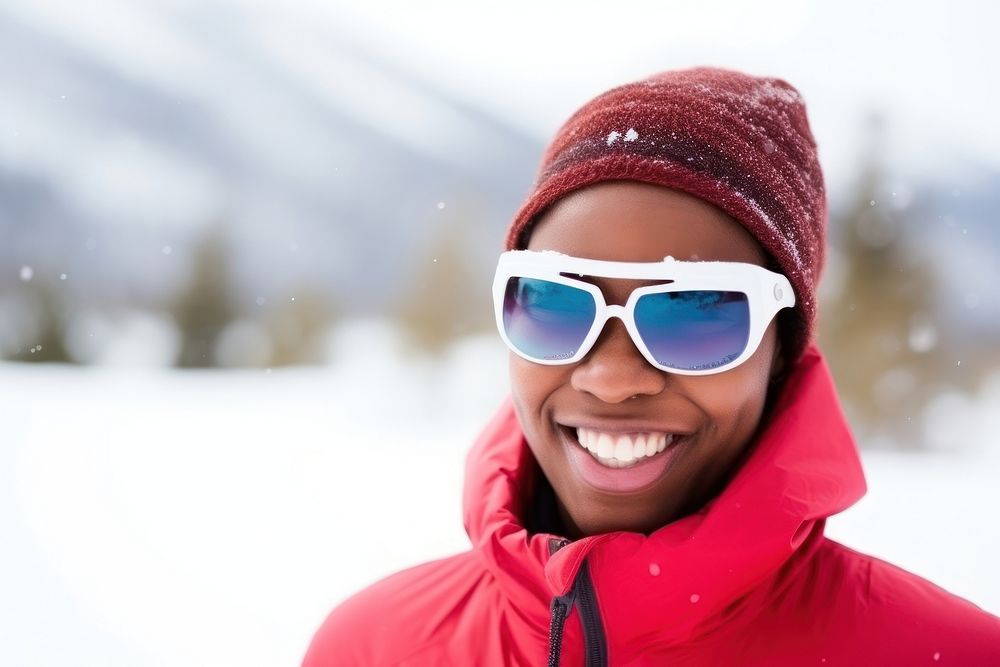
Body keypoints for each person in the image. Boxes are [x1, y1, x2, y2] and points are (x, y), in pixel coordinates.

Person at [302, 67, 1000, 666]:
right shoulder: (372, 645)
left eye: (696, 313)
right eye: (554, 304)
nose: (611, 376)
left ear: (780, 352)